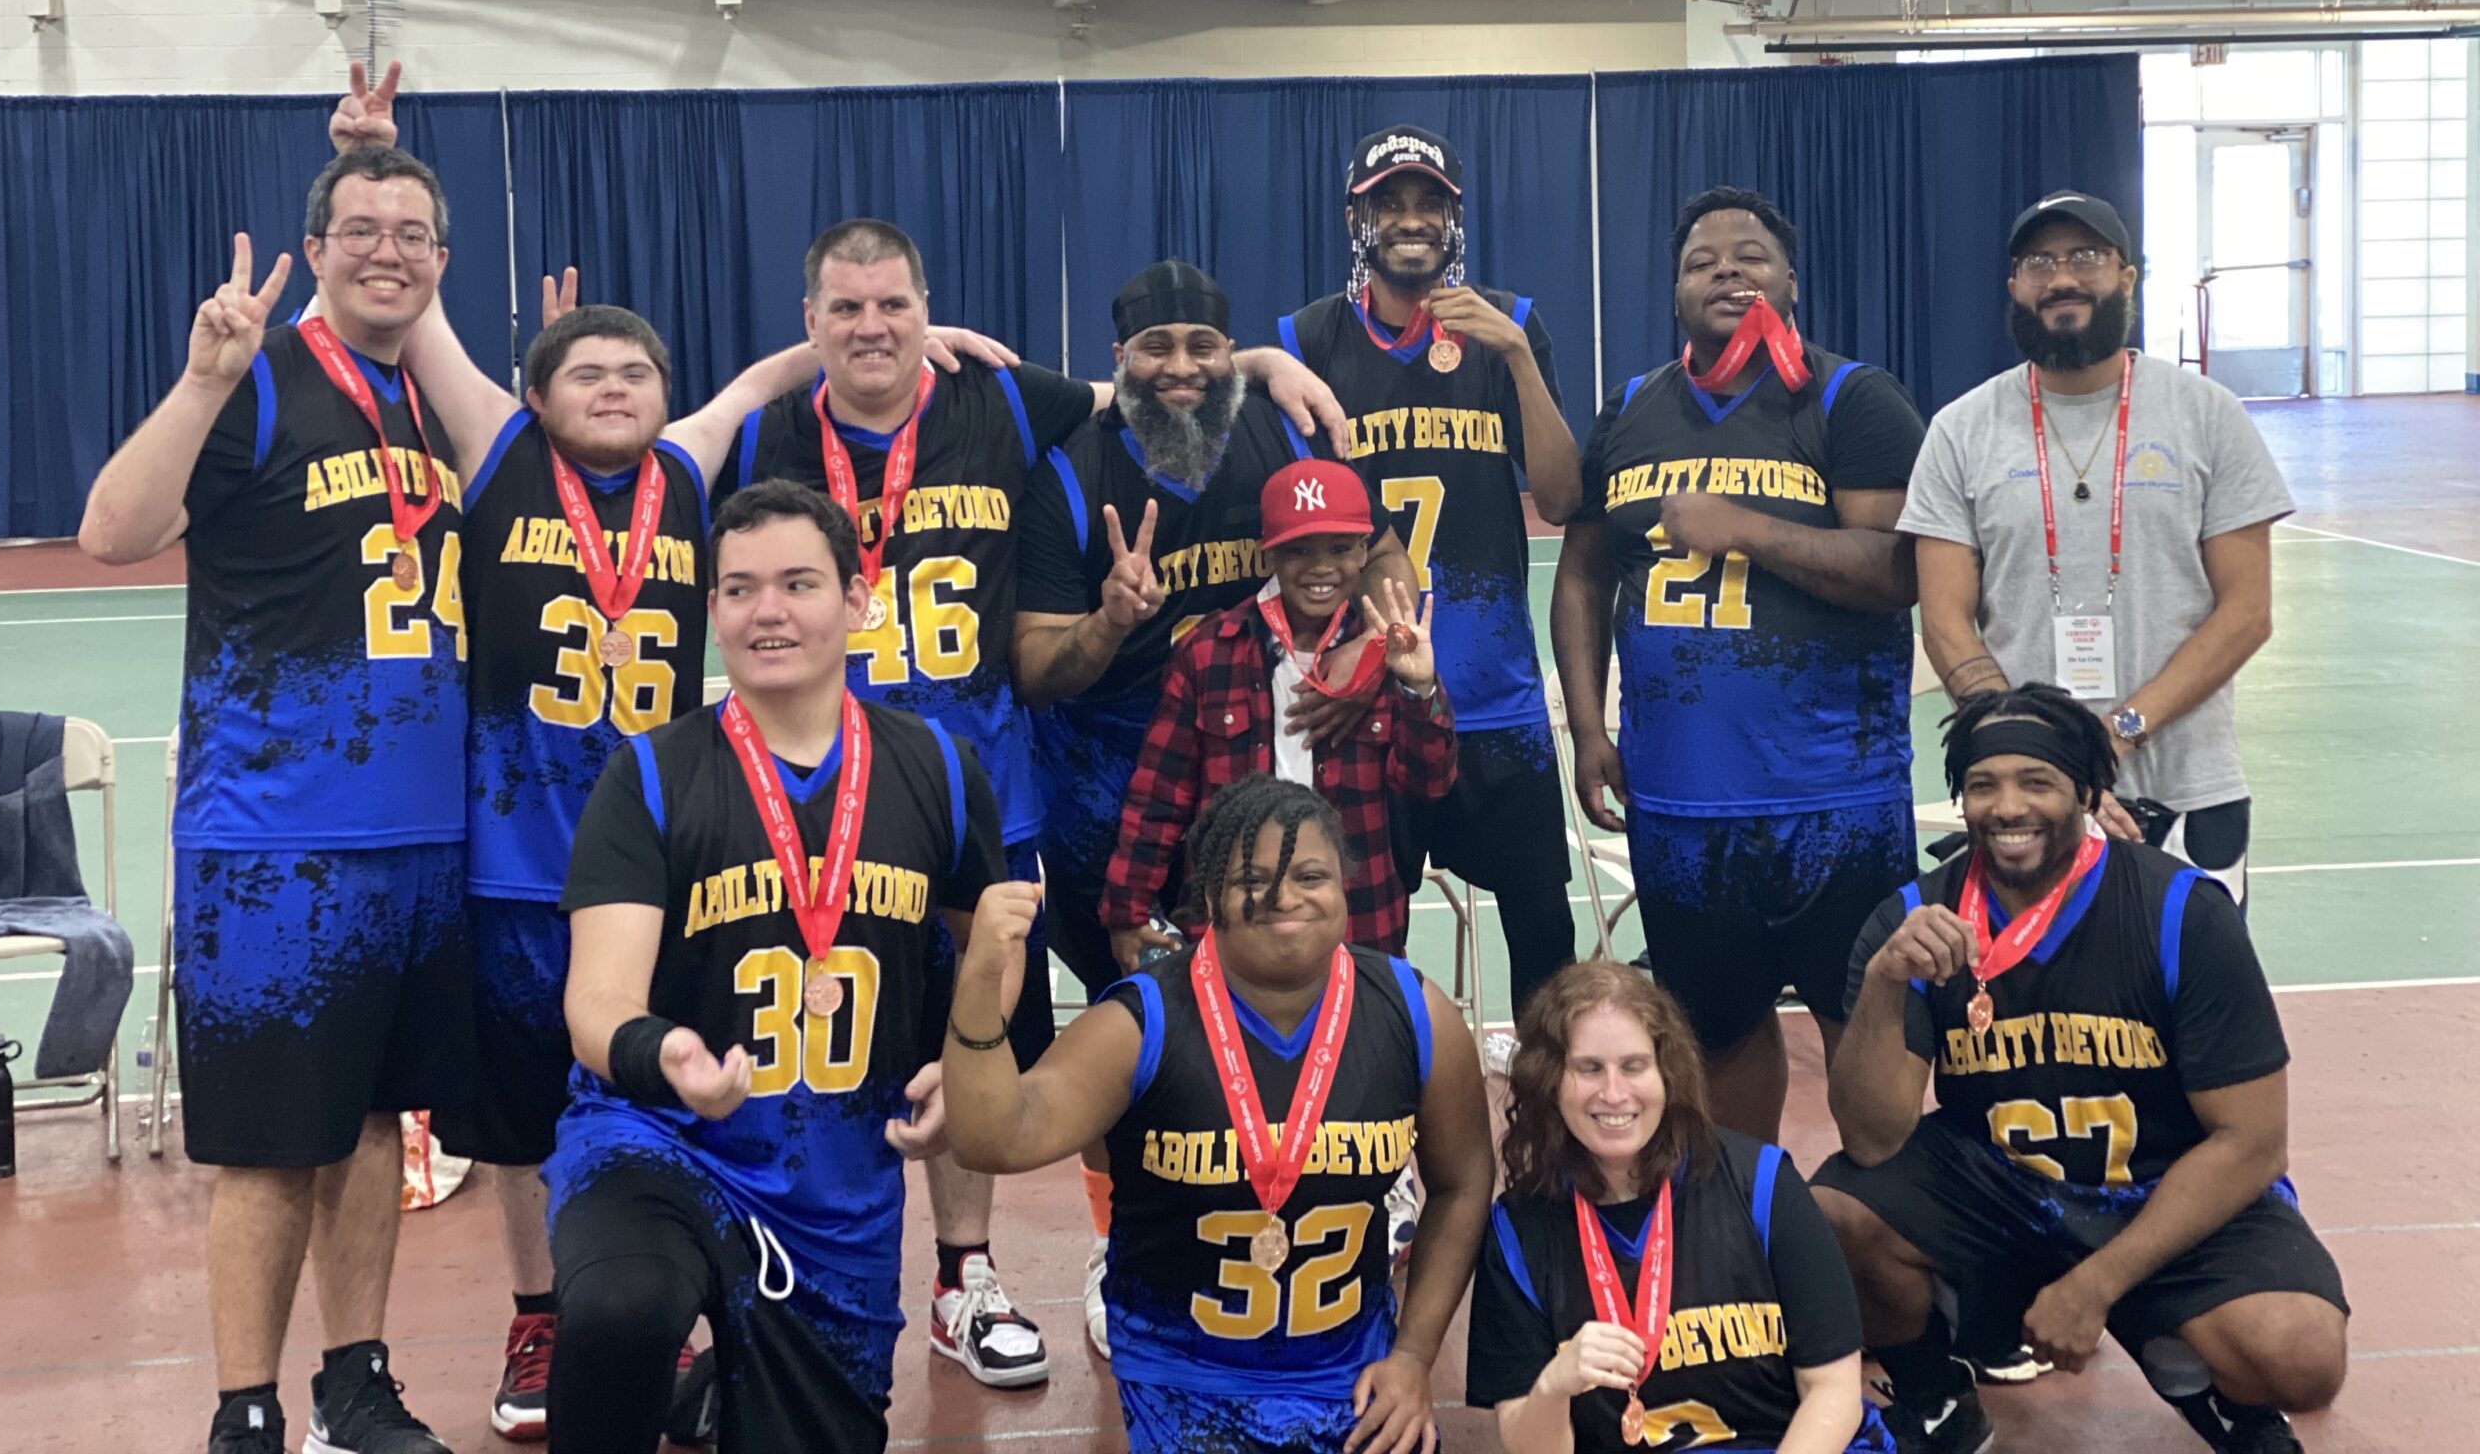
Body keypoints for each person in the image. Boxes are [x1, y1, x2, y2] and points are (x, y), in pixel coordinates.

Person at [320, 64, 1028, 1437]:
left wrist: (899, 341)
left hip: (705, 836)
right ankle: (545, 1322)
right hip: (531, 856)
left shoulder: (690, 478)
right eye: (584, 371)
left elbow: (760, 377)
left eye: (636, 370)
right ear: (537, 395)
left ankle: (750, 1328)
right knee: (537, 1112)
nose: (614, 388)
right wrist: (374, 156)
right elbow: (428, 333)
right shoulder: (504, 452)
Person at [729, 220, 1347, 1386]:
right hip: (804, 791)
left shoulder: (1012, 409)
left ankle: (964, 1278)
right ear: (809, 320)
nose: (872, 329)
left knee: (962, 1046)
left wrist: (1262, 364)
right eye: (845, 310)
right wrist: (787, 368)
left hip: (974, 798)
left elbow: (1158, 380)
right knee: (803, 1036)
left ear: (928, 309)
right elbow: (660, 449)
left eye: (895, 307)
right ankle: (790, 1279)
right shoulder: (765, 431)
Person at [79, 138, 471, 1454]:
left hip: (424, 837)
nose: (386, 251)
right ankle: (244, 1405)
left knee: (369, 1126)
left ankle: (353, 1382)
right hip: (277, 842)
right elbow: (113, 529)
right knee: (266, 1147)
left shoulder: (441, 400)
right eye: (361, 228)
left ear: (442, 262)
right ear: (315, 252)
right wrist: (201, 380)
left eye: (412, 232)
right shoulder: (260, 383)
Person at [543, 479, 1005, 1454]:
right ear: (711, 610)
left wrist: (964, 1064)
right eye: (740, 588)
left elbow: (989, 951)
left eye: (798, 583)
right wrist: (661, 1052)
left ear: (855, 599)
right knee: (623, 1310)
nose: (768, 611)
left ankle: (725, 1382)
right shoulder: (654, 774)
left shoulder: (937, 771)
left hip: (834, 1185)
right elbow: (594, 1000)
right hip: (657, 1141)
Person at [1010, 259, 1413, 1354]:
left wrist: (1376, 654)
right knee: (1127, 1035)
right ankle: (1123, 1238)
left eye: (1203, 347)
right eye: (1157, 349)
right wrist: (1108, 619)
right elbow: (1037, 666)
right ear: (1119, 361)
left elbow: (1373, 550)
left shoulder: (1275, 433)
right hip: (1109, 789)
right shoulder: (1066, 471)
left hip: (1263, 769)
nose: (1181, 369)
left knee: (1306, 1011)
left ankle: (1316, 1208)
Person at [1812, 683, 2349, 1454]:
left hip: (2163, 1188)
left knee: (2300, 1355)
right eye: (1983, 785)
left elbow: (2253, 1143)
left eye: (2037, 782)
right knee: (1833, 1218)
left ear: (2089, 794)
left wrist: (2096, 1284)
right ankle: (1933, 1392)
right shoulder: (1917, 920)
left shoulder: (2180, 914)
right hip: (2001, 1185)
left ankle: (2192, 1372)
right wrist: (1884, 986)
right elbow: (1870, 1139)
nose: (2007, 807)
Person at [941, 775, 1495, 1454]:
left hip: (1353, 1378)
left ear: (1345, 890)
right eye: (1253, 880)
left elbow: (1465, 1180)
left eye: (1311, 874)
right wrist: (978, 984)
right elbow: (994, 1138)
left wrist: (1413, 1356)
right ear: (1209, 897)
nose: (1284, 897)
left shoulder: (1415, 1012)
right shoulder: (1139, 1023)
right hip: (1183, 1384)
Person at [1551, 187, 1928, 1143]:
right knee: (1716, 1040)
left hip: (1835, 803)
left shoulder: (1851, 399)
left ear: (1790, 280)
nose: (1727, 270)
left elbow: (1898, 570)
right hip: (1681, 808)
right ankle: (1750, 1229)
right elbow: (1584, 574)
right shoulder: (1631, 411)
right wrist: (1591, 728)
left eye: (1751, 255)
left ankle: (1875, 1234)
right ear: (1674, 291)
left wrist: (1743, 529)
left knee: (1868, 1024)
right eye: (1701, 260)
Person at [1903, 190, 2291, 909]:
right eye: (2039, 262)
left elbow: (2246, 611)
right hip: (2023, 806)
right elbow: (1946, 620)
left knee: (2190, 1010)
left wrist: (2119, 733)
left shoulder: (2207, 416)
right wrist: (2038, 752)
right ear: (2015, 286)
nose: (2062, 279)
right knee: (2029, 1016)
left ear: (2128, 277)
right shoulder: (1960, 431)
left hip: (2188, 789)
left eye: (2086, 256)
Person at [1278, 124, 1584, 1035]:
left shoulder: (1511, 326)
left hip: (1495, 698)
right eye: (1389, 203)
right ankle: (1385, 1130)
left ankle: (1545, 1127)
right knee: (1368, 938)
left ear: (1454, 217)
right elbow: (1299, 532)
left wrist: (1520, 358)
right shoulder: (1308, 336)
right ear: (1356, 218)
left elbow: (1563, 498)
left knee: (1542, 931)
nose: (1410, 220)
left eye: (1428, 203)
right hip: (1365, 700)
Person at [1467, 961, 1886, 1454]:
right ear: (1550, 1079)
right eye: (1589, 1068)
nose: (1614, 1093)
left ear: (1667, 1072)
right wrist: (1554, 1385)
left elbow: (1832, 1390)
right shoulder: (1520, 1231)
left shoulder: (1763, 1185)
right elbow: (1531, 1448)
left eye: (1633, 1065)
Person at [1104, 458, 1454, 964]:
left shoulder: (1389, 659)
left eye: (1339, 549)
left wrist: (1421, 690)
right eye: (1298, 550)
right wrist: (1127, 910)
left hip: (1359, 927)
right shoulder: (1206, 654)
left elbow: (1428, 785)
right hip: (1230, 925)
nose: (1320, 568)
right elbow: (1159, 797)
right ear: (1268, 554)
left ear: (1363, 553)